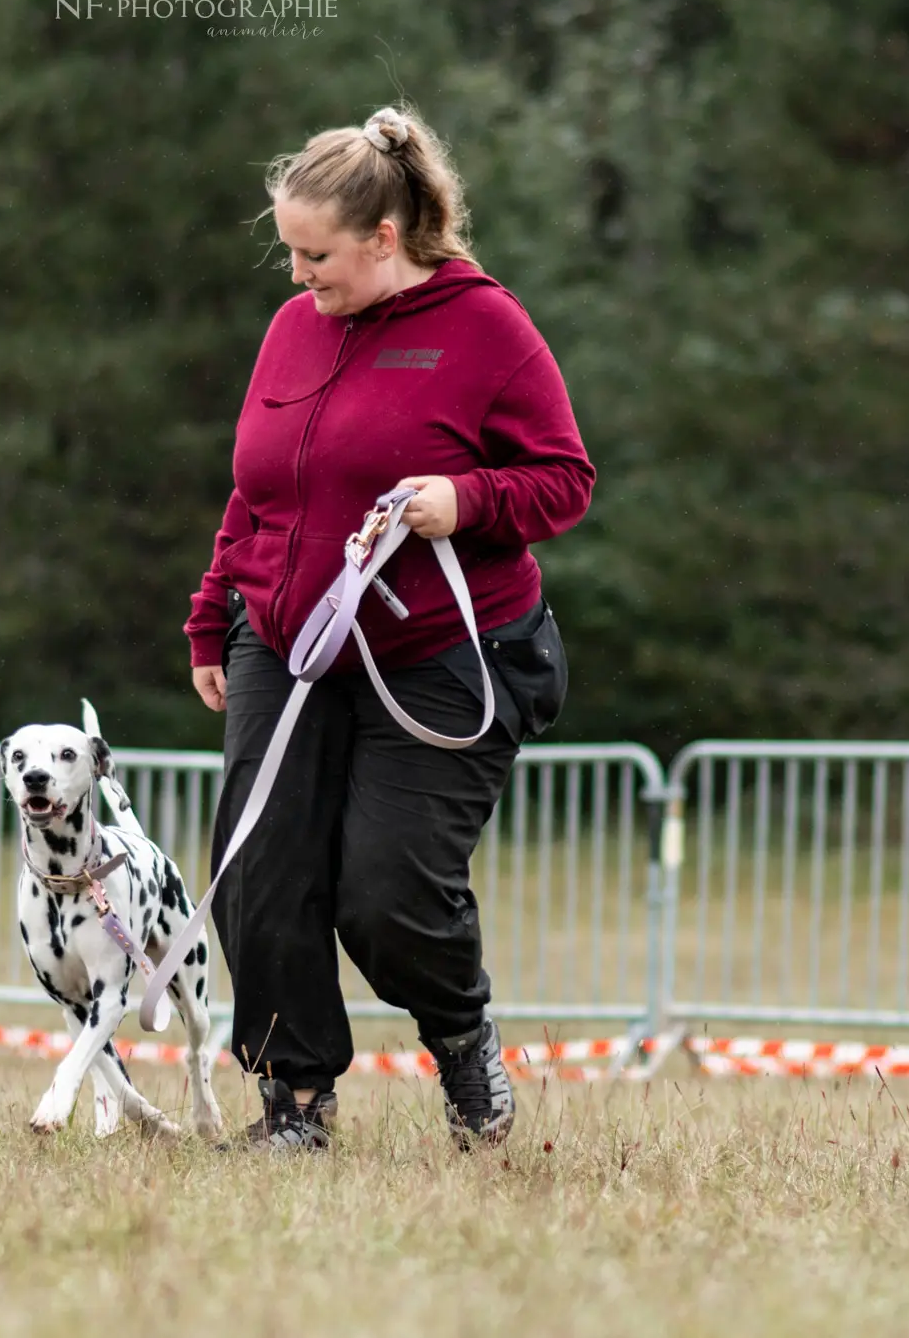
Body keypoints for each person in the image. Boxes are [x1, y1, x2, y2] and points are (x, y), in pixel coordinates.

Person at [185, 104, 595, 1152]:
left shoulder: (485, 327)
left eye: (314, 254)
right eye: (286, 251)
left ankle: (460, 1042)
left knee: (385, 895)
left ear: (383, 238)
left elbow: (561, 480)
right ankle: (293, 1104)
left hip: (441, 653)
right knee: (259, 872)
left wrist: (464, 503)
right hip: (286, 640)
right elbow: (258, 491)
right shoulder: (290, 331)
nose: (296, 276)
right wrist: (209, 618)